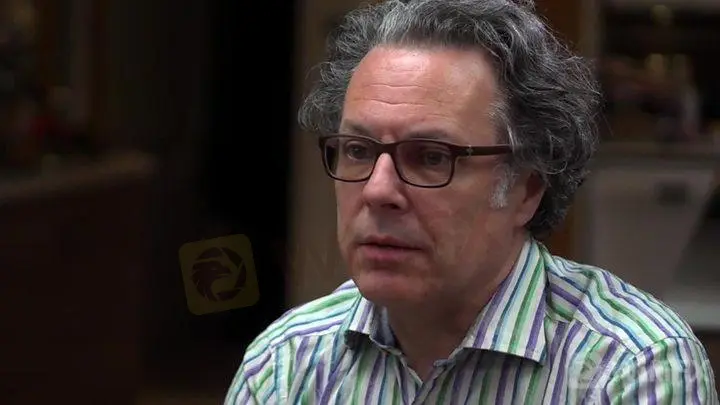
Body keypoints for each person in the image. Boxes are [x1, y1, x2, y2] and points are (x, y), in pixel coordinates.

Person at [225, 0, 718, 403]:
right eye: (358, 150)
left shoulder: (630, 368)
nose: (377, 190)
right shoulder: (287, 365)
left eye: (431, 157)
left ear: (526, 187)